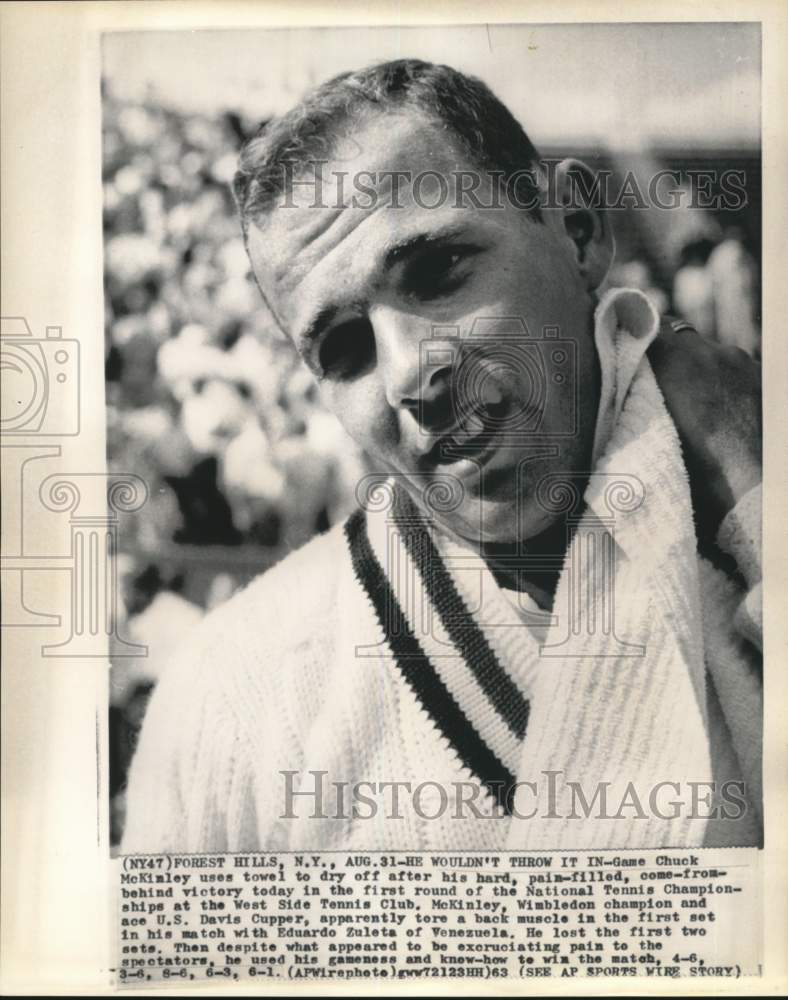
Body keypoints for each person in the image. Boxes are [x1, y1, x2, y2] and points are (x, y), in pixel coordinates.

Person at [122, 59, 762, 853]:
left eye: (438, 272)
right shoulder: (229, 701)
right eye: (345, 348)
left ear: (579, 231)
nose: (406, 374)